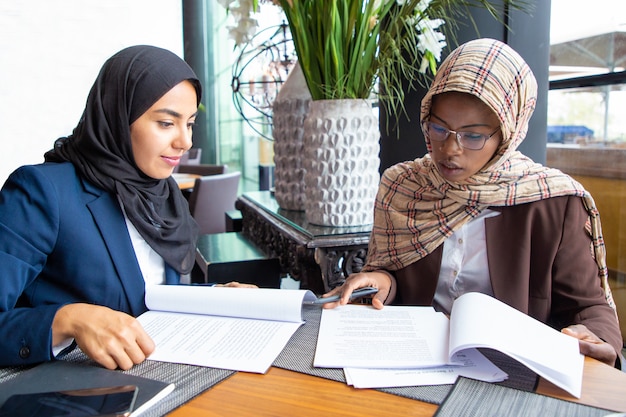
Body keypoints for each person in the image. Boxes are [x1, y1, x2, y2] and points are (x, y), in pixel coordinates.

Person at [322, 38, 624, 368]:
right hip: (409, 361)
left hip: (509, 376)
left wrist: (594, 335)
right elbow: (389, 276)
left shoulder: (554, 202)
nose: (450, 149)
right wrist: (380, 281)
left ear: (507, 133)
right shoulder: (402, 186)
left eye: (473, 135)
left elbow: (589, 307)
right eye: (438, 128)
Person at [0, 45, 250, 371]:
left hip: (161, 376)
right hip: (73, 393)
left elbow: (148, 295)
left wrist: (213, 296)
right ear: (118, 117)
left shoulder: (163, 193)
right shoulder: (42, 192)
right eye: (165, 123)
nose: (185, 142)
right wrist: (66, 319)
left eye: (189, 123)